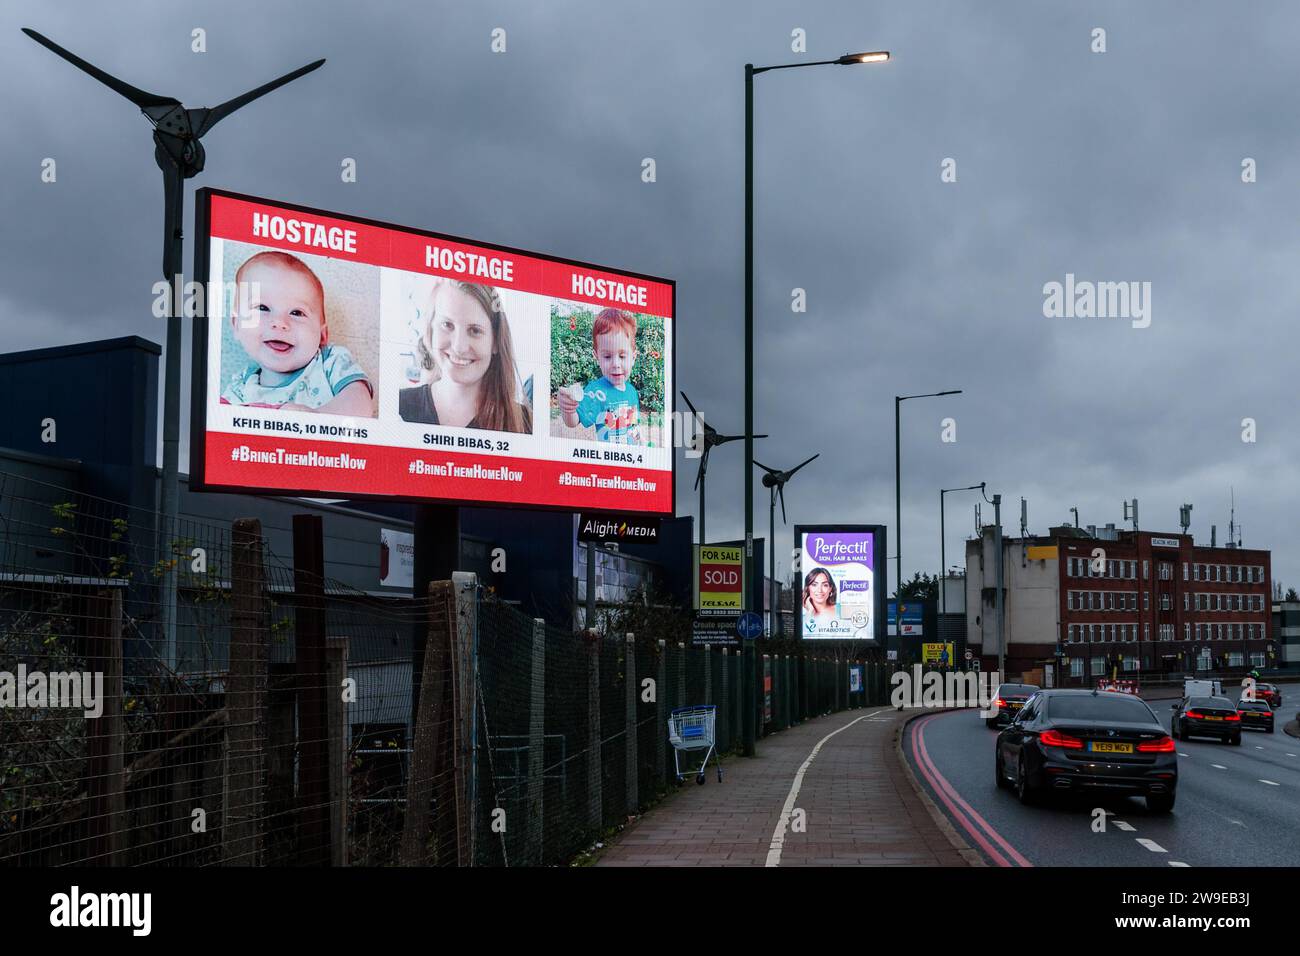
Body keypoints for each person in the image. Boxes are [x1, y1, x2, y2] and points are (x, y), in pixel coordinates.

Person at [221, 251, 374, 415]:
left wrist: (317, 419)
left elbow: (361, 404)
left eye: (297, 313)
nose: (280, 323)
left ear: (322, 335)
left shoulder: (330, 361)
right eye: (263, 308)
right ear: (237, 325)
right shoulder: (240, 386)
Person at [398, 280, 532, 433]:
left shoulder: (526, 424)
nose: (459, 347)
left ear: (495, 341)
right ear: (431, 329)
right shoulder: (397, 406)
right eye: (447, 325)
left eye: (475, 330)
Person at [555, 308, 642, 443]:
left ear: (633, 357)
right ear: (597, 357)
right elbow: (573, 422)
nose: (616, 364)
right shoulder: (595, 391)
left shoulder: (631, 391)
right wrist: (568, 409)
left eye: (622, 356)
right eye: (607, 356)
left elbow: (634, 427)